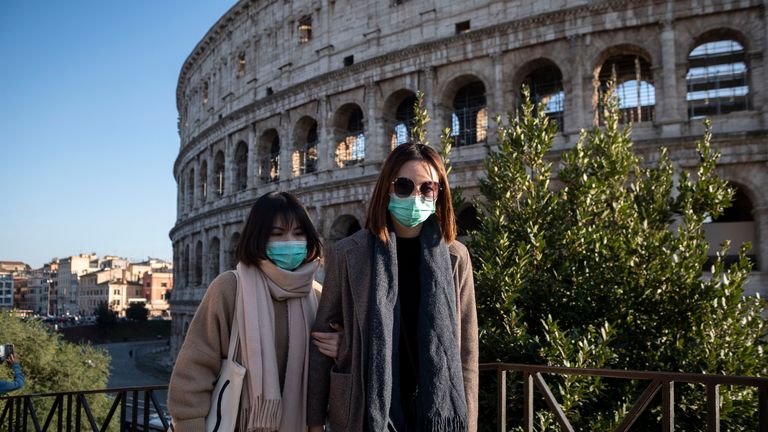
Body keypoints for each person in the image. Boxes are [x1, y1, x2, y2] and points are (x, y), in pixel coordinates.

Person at [308, 143, 479, 432]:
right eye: (404, 186)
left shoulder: (455, 257)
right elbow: (323, 339)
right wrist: (313, 421)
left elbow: (466, 351)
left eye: (427, 188)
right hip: (363, 406)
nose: (415, 196)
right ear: (387, 188)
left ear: (439, 194)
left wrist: (469, 424)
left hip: (434, 408)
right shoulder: (349, 253)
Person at [168, 191, 341, 432]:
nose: (290, 242)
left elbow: (329, 376)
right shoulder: (230, 288)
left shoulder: (317, 295)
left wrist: (344, 349)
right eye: (277, 234)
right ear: (258, 238)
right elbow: (193, 371)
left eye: (298, 233)